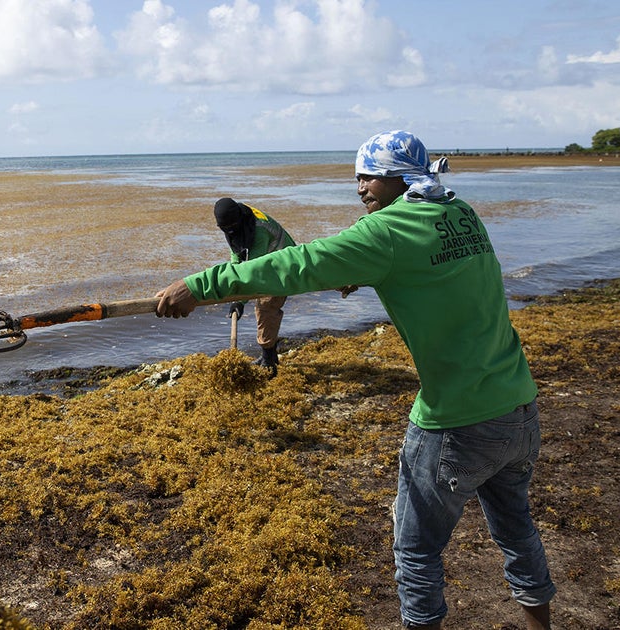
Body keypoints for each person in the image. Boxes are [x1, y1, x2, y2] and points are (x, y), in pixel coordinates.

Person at [154, 130, 555, 629]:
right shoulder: (460, 214)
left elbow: (296, 264)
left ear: (395, 178)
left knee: (415, 551)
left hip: (456, 420)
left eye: (367, 175)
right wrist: (363, 270)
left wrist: (198, 285)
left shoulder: (384, 234)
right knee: (516, 530)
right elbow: (431, 268)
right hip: (519, 408)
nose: (360, 186)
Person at [212, 197, 295, 375]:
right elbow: (236, 257)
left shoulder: (258, 231)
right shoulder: (237, 221)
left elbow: (253, 273)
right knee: (264, 308)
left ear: (238, 220)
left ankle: (268, 361)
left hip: (284, 264)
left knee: (266, 307)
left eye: (231, 227)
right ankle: (270, 356)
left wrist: (240, 301)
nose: (229, 231)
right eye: (225, 229)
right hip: (269, 260)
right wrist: (233, 287)